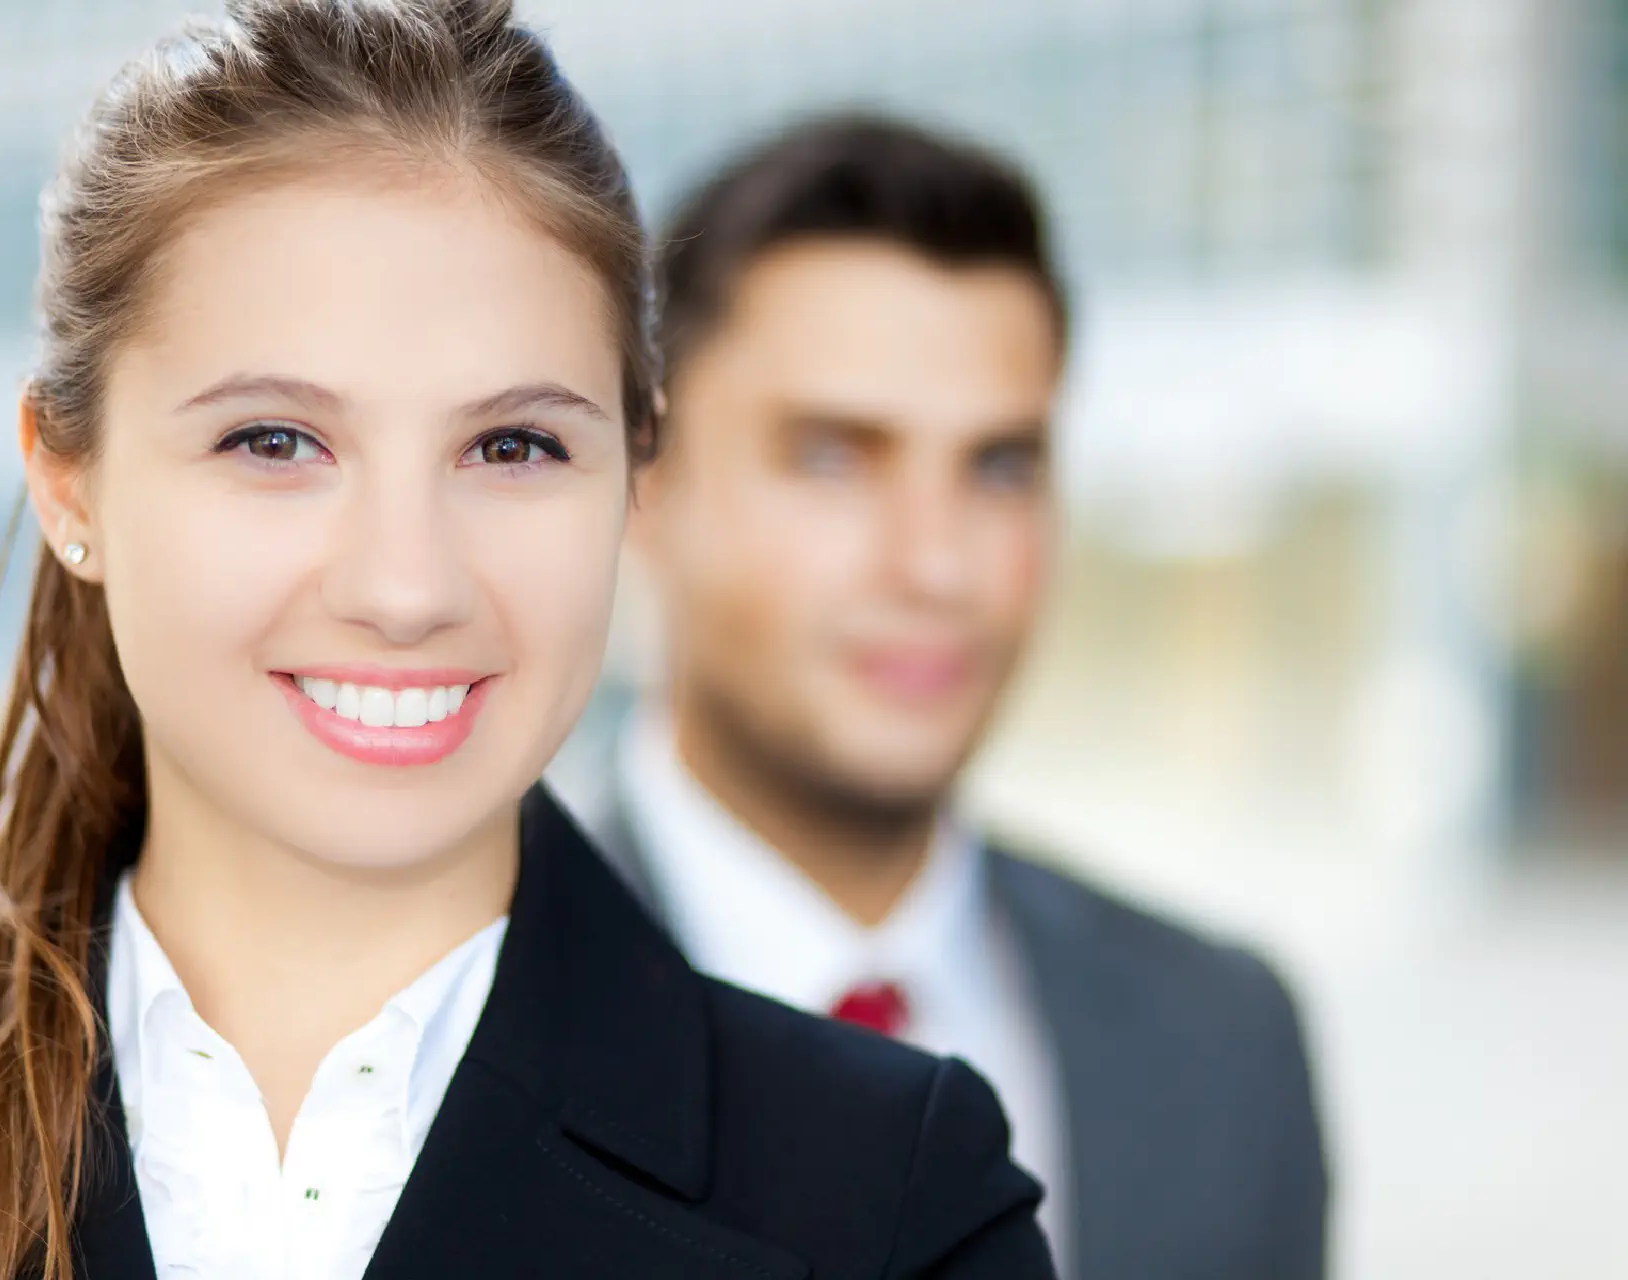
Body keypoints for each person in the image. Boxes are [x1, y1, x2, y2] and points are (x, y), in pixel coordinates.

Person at [0, 10, 1057, 1279]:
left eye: (514, 446)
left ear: (636, 481)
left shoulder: (893, 1204)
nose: (406, 586)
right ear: (69, 482)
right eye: (275, 442)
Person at [554, 115, 1328, 1280]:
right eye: (833, 455)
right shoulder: (447, 1015)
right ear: (645, 487)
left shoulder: (1224, 1039)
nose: (937, 565)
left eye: (1000, 466)